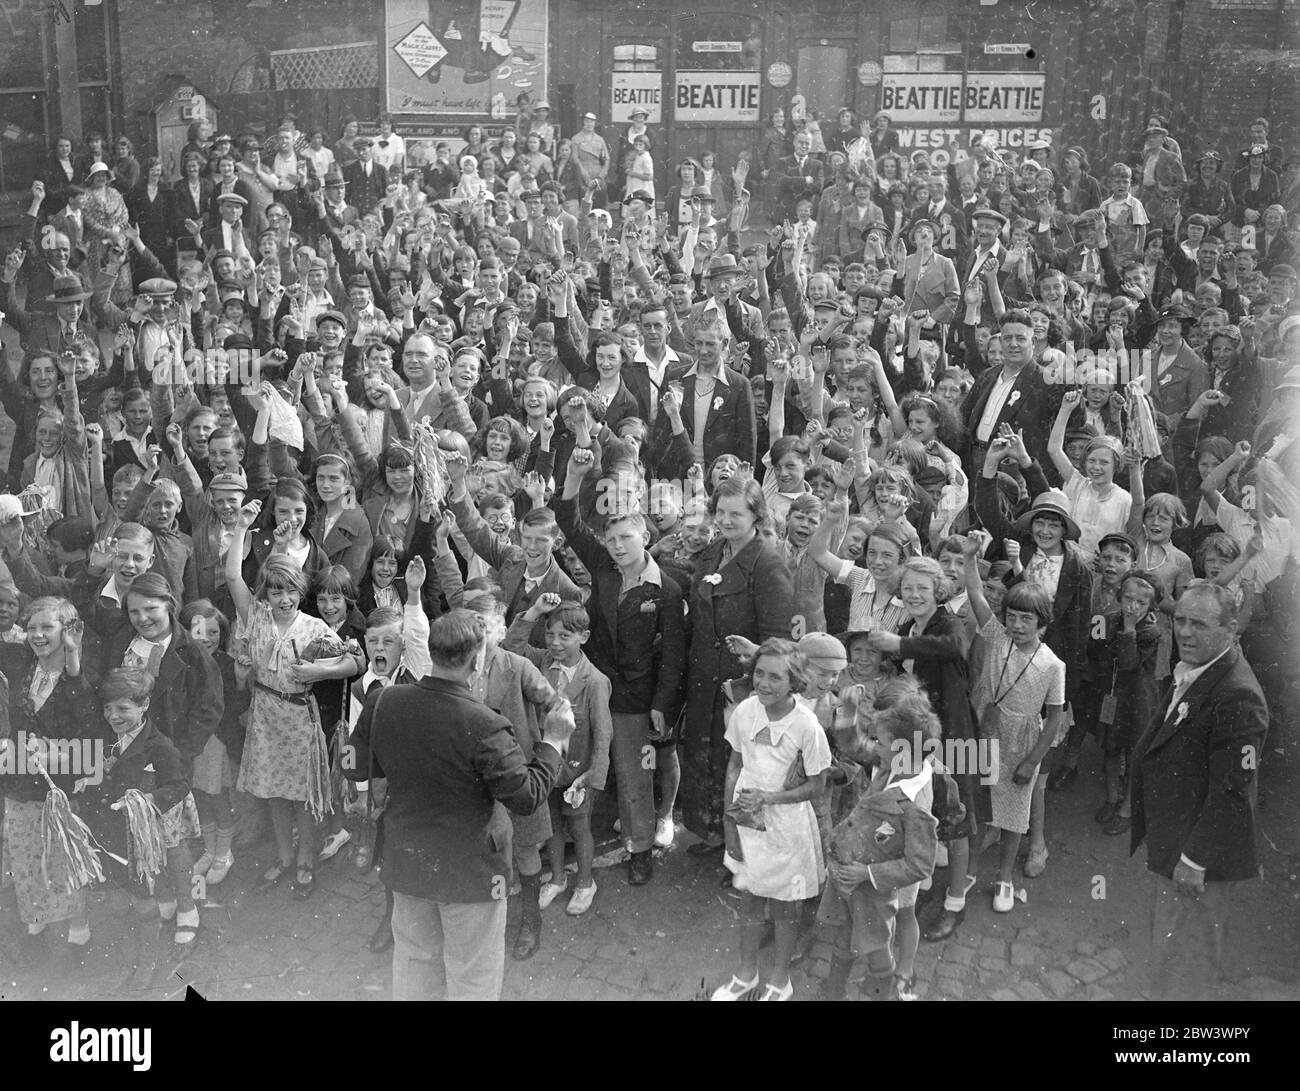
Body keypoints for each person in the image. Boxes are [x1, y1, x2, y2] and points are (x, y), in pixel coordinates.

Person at [347, 609, 575, 1000]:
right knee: (472, 978)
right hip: (471, 874)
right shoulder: (486, 724)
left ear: (433, 651)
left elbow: (353, 767)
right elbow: (526, 797)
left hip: (407, 863)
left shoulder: (382, 702)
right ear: (477, 659)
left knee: (416, 966)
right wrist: (553, 743)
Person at [1129, 582, 1269, 999]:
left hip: (1198, 856)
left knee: (1188, 962)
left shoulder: (1239, 696)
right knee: (1170, 947)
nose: (1186, 633)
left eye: (1199, 624)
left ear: (1231, 630)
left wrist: (1194, 859)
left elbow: (1232, 791)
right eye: (1181, 621)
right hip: (1177, 838)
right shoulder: (1201, 667)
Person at [711, 638, 830, 1002]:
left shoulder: (807, 726)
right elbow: (735, 765)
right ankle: (746, 973)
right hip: (746, 816)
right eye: (759, 674)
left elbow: (816, 786)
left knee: (783, 906)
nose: (763, 683)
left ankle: (780, 980)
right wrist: (730, 821)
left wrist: (771, 799)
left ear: (794, 680)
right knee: (748, 897)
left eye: (775, 678)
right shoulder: (746, 710)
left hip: (787, 825)